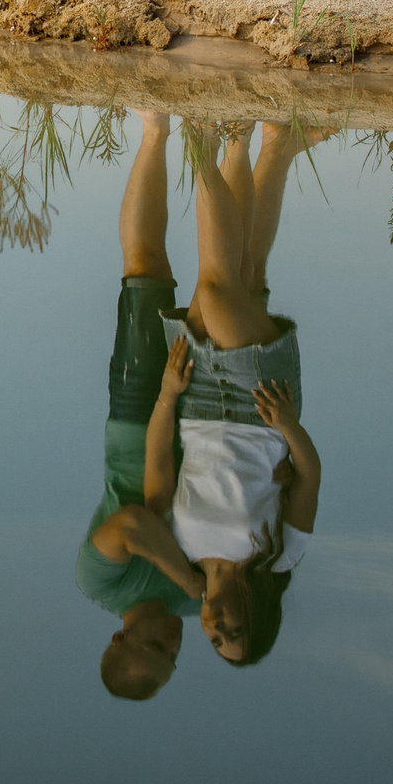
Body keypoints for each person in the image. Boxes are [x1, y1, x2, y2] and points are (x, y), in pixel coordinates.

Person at [143, 121, 326, 667]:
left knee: (243, 271)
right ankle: (203, 135)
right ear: (256, 612)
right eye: (235, 630)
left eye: (215, 639)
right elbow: (311, 475)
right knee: (219, 284)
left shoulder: (183, 555)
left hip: (193, 397)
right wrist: (289, 427)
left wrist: (167, 397)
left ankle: (255, 138)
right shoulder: (279, 557)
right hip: (260, 403)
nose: (216, 627)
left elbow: (159, 475)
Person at [77, 109, 205, 700]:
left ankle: (155, 127)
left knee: (146, 269)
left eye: (157, 649)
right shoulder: (189, 599)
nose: (175, 645)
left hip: (135, 415)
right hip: (207, 424)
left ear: (119, 642)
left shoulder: (103, 585)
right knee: (223, 290)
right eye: (174, 659)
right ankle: (227, 139)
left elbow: (131, 523)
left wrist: (187, 577)